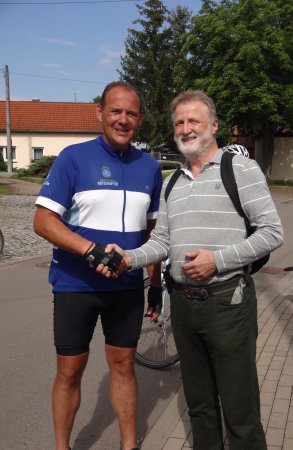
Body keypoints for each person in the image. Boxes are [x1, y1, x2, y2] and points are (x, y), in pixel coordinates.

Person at [100, 90, 284, 450]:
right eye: (179, 123)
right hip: (184, 309)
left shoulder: (239, 169)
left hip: (227, 305)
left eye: (193, 121)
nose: (185, 129)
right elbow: (162, 243)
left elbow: (273, 232)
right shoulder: (172, 183)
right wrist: (128, 257)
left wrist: (218, 260)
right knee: (200, 408)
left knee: (240, 411)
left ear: (213, 126)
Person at [33, 81, 163, 450]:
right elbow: (43, 221)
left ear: (140, 119)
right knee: (69, 372)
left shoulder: (150, 168)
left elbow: (153, 233)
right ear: (100, 114)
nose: (123, 119)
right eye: (116, 111)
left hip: (126, 288)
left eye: (131, 113)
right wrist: (90, 250)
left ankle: (128, 445)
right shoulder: (73, 158)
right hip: (77, 285)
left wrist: (155, 284)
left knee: (123, 367)